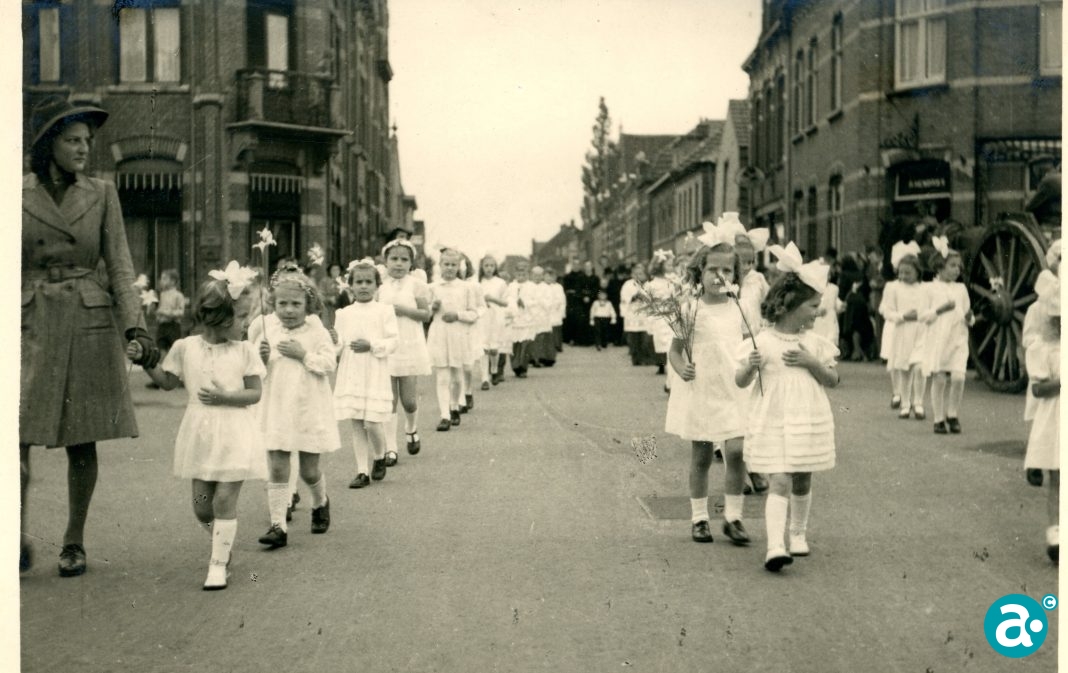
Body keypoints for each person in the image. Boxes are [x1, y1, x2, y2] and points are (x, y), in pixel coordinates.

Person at [21, 96, 161, 576]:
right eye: (72, 140)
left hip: (86, 321)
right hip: (28, 320)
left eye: (87, 140)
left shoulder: (102, 193)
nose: (83, 148)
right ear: (48, 144)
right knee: (14, 437)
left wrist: (136, 327)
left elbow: (119, 265)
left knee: (82, 439)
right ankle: (14, 533)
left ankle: (73, 542)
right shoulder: (14, 193)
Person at [135, 266, 265, 589]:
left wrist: (225, 397)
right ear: (217, 318)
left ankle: (218, 565)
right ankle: (223, 542)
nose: (246, 324)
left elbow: (255, 393)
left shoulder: (245, 350)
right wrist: (145, 361)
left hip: (235, 434)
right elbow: (167, 382)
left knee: (224, 502)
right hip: (201, 436)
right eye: (240, 318)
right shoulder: (185, 347)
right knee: (202, 507)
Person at [737, 243, 839, 572]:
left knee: (802, 478)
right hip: (774, 420)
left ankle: (797, 532)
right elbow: (740, 381)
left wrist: (812, 362)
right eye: (812, 306)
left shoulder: (815, 344)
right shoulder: (763, 342)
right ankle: (775, 546)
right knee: (779, 480)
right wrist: (751, 366)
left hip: (806, 418)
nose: (817, 313)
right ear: (790, 305)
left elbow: (833, 379)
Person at [666, 242, 751, 546]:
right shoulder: (690, 309)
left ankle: (733, 517)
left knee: (737, 452)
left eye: (727, 270)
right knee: (701, 455)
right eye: (713, 269)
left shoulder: (739, 308)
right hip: (701, 389)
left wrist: (753, 363)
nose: (720, 276)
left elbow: (748, 345)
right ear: (700, 271)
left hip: (734, 387)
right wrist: (682, 369)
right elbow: (675, 352)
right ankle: (700, 518)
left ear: (735, 275)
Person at [248, 265, 339, 549]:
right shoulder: (266, 328)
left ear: (308, 305)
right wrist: (260, 357)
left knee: (309, 471)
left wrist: (303, 355)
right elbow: (251, 368)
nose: (288, 310)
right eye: (282, 303)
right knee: (277, 466)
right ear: (273, 303)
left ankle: (320, 501)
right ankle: (278, 525)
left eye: (296, 304)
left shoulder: (316, 330)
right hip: (276, 406)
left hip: (308, 407)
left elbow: (329, 363)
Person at [334, 260, 399, 487]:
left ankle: (379, 456)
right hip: (352, 370)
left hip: (374, 369)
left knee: (372, 422)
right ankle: (362, 470)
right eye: (359, 282)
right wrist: (333, 342)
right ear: (350, 285)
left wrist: (371, 345)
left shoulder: (384, 311)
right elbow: (339, 345)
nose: (363, 286)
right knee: (357, 422)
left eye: (368, 282)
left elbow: (393, 341)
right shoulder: (344, 313)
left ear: (377, 285)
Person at [377, 239, 432, 461]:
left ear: (411, 263)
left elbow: (426, 314)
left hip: (409, 343)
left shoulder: (416, 284)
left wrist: (403, 311)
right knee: (388, 400)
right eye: (394, 259)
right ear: (385, 261)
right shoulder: (380, 285)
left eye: (404, 259)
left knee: (408, 400)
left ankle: (411, 428)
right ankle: (391, 448)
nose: (398, 264)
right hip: (386, 344)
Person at [1024, 271, 1060, 564]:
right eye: (1056, 320)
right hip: (1056, 418)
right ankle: (1055, 532)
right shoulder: (1044, 350)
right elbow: (1038, 389)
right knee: (1058, 478)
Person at [921, 237, 973, 434]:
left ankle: (953, 414)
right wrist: (940, 310)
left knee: (959, 377)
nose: (957, 270)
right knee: (940, 378)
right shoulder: (929, 288)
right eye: (952, 266)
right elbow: (923, 316)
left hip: (958, 337)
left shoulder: (961, 289)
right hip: (939, 339)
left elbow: (967, 313)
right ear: (939, 267)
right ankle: (938, 418)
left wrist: (969, 318)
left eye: (958, 266)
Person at [1022, 241, 1061, 487]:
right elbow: (1029, 336)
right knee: (1042, 416)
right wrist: (1041, 346)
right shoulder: (1037, 308)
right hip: (1045, 363)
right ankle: (1035, 459)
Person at [879, 242, 930, 419]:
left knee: (920, 367)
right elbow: (885, 310)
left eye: (907, 273)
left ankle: (919, 403)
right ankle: (906, 404)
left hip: (921, 331)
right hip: (902, 331)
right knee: (904, 369)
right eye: (900, 272)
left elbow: (932, 308)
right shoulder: (893, 288)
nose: (903, 276)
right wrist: (902, 316)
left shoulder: (925, 289)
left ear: (917, 272)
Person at [428, 249, 478, 430]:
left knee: (457, 376)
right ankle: (445, 415)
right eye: (446, 264)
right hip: (439, 334)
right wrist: (432, 308)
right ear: (440, 265)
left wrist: (457, 315)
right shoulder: (432, 287)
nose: (449, 268)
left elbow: (474, 314)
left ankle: (455, 406)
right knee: (442, 376)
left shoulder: (466, 288)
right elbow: (425, 314)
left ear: (459, 267)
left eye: (453, 265)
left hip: (458, 334)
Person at [479, 255, 510, 386]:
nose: (489, 268)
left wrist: (492, 299)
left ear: (495, 267)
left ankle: (494, 368)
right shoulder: (478, 283)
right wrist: (482, 302)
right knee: (483, 347)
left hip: (496, 317)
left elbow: (505, 302)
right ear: (482, 267)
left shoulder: (500, 283)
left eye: (492, 266)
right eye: (486, 265)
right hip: (482, 317)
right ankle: (484, 379)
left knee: (494, 348)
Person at [646, 251, 675, 375]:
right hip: (658, 317)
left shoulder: (672, 281)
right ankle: (662, 365)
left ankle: (671, 367)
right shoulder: (652, 284)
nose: (671, 267)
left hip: (671, 314)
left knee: (671, 341)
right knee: (660, 341)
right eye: (668, 265)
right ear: (660, 266)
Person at [507, 260, 537, 379]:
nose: (521, 276)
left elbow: (536, 301)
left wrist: (525, 303)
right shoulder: (511, 286)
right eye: (519, 274)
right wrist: (514, 303)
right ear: (515, 274)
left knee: (526, 343)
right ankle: (515, 366)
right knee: (515, 343)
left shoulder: (532, 286)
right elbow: (507, 299)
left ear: (528, 274)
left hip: (527, 318)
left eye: (523, 274)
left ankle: (523, 367)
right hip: (515, 318)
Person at [156, 268, 187, 354]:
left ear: (173, 281)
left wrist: (168, 313)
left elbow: (181, 312)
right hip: (162, 326)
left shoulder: (178, 295)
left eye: (164, 279)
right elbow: (160, 309)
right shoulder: (162, 295)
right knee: (161, 347)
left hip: (173, 326)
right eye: (161, 278)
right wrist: (157, 314)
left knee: (174, 350)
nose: (161, 281)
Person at [546, 267, 567, 353]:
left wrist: (561, 309)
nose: (551, 278)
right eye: (548, 276)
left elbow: (562, 299)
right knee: (548, 327)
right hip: (548, 309)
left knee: (557, 328)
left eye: (553, 276)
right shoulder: (544, 286)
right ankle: (550, 345)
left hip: (557, 309)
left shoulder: (559, 287)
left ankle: (558, 345)